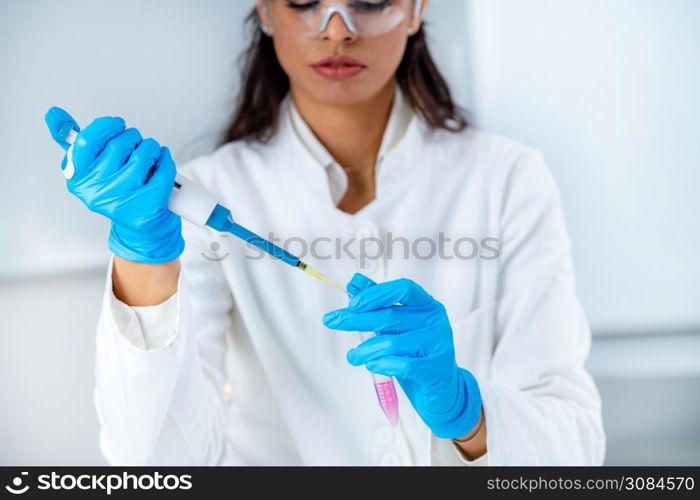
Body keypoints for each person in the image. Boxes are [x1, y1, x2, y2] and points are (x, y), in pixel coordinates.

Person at [45, 0, 605, 466]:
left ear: (414, 11)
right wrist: (144, 260)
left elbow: (572, 447)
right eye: (306, 2)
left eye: (370, 1)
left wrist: (468, 414)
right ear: (266, 11)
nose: (337, 28)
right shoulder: (203, 194)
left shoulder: (508, 179)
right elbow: (157, 463)